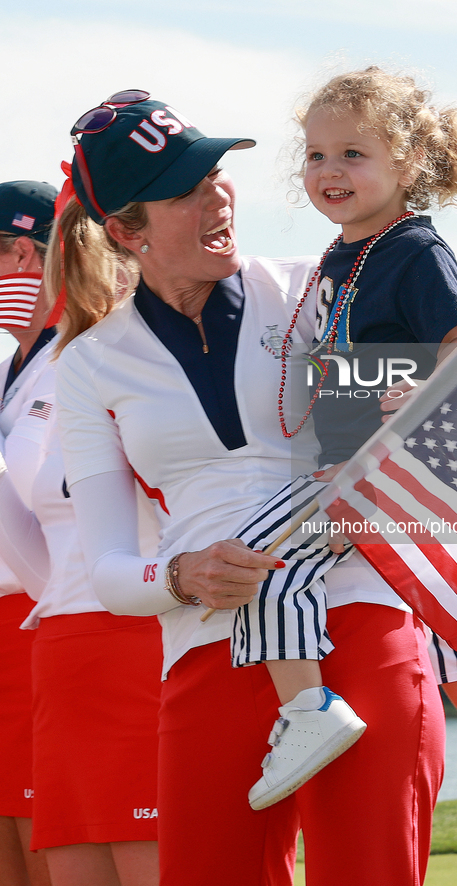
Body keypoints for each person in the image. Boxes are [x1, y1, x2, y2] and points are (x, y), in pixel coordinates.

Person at [51, 90, 445, 886]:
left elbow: (426, 424)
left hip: (359, 612)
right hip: (204, 642)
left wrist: (428, 390)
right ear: (127, 232)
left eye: (217, 173)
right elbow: (110, 573)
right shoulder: (89, 365)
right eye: (186, 189)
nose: (218, 194)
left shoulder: (319, 286)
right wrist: (181, 574)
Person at [282, 66, 457, 846]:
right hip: (354, 459)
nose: (329, 172)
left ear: (405, 164)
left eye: (352, 154)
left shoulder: (412, 247)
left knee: (279, 571)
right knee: (431, 606)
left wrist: (423, 398)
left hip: (388, 462)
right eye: (314, 156)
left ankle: (307, 709)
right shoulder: (340, 256)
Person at [0, 180, 161, 886]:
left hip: (130, 627)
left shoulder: (123, 352)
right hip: (59, 634)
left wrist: (72, 593)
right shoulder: (31, 363)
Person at [0, 181, 55, 886]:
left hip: (49, 621)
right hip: (11, 632)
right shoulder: (12, 364)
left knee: (55, 854)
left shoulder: (80, 354)